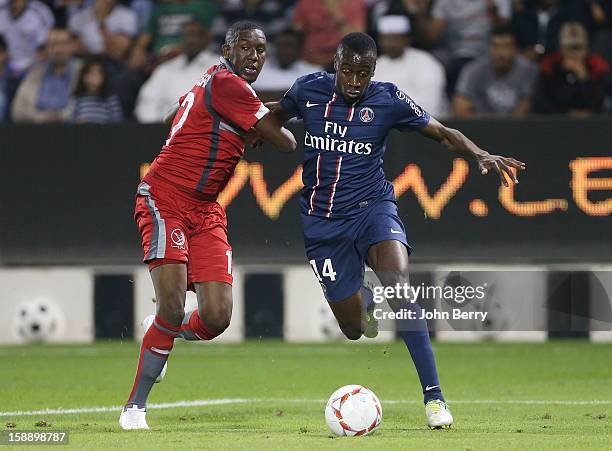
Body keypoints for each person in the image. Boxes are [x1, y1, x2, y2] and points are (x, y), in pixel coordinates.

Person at [267, 32, 525, 429]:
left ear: (374, 71)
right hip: (322, 224)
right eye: (348, 72)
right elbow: (274, 116)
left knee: (401, 289)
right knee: (353, 329)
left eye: (363, 73)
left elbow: (441, 132)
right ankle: (365, 300)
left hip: (373, 209)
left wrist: (479, 153)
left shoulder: (388, 99)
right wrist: (238, 120)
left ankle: (434, 399)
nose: (354, 82)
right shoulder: (308, 89)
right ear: (335, 65)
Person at [120, 21, 296, 430]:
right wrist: (264, 123)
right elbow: (286, 143)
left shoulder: (210, 81)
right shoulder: (231, 86)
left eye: (261, 50)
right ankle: (135, 408)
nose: (255, 56)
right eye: (247, 48)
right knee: (173, 302)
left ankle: (159, 332)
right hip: (164, 198)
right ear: (227, 49)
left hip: (205, 210)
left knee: (216, 317)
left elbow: (171, 115)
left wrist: (241, 123)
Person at [135, 20, 218, 123]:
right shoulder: (165, 70)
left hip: (206, 131)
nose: (190, 40)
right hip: (165, 131)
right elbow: (148, 103)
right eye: (187, 35)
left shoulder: (219, 67)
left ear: (206, 39)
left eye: (195, 35)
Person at [453, 24, 538, 117]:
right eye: (496, 46)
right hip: (479, 129)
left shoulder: (527, 70)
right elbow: (460, 109)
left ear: (516, 48)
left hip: (517, 130)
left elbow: (523, 111)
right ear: (488, 48)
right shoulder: (472, 70)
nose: (502, 53)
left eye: (507, 46)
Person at [374, 15, 448, 117]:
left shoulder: (425, 62)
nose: (389, 44)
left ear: (406, 40)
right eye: (385, 39)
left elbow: (431, 104)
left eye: (394, 39)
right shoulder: (376, 65)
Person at [533, 21, 611, 115]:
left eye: (578, 47)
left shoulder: (596, 66)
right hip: (556, 124)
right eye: (569, 47)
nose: (574, 53)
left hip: (591, 125)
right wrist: (567, 113)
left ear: (587, 49)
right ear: (561, 49)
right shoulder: (550, 66)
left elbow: (602, 104)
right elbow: (540, 102)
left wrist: (585, 79)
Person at [11, 27, 81, 123]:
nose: (57, 50)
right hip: (36, 129)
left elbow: (88, 107)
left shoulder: (82, 71)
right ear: (47, 48)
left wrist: (60, 116)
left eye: (63, 44)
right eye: (53, 44)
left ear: (72, 46)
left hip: (71, 129)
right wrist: (38, 117)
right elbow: (17, 110)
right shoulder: (35, 73)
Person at [292, 0, 366, 68]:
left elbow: (357, 38)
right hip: (310, 62)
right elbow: (295, 31)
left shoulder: (354, 3)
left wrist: (336, 12)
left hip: (342, 62)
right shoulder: (307, 2)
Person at [252, 28, 321, 95]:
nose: (284, 50)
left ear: (300, 49)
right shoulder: (256, 70)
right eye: (280, 45)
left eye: (290, 46)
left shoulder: (314, 73)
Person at [68, 0, 138, 63]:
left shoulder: (127, 16)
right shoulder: (78, 18)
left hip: (114, 64)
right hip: (85, 62)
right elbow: (74, 49)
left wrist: (101, 21)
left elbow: (118, 52)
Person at [0, 0, 55, 75]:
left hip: (34, 67)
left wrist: (28, 66)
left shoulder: (39, 12)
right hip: (7, 66)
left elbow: (48, 47)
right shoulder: (2, 9)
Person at [72, 57, 123, 123]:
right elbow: (71, 121)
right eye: (90, 73)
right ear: (83, 76)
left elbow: (117, 123)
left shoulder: (111, 100)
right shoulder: (78, 98)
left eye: (97, 73)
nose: (93, 77)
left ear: (104, 77)